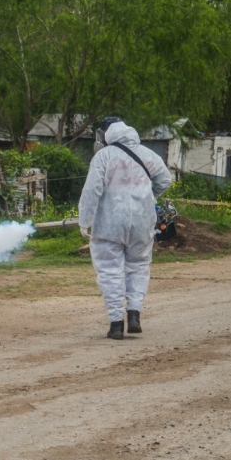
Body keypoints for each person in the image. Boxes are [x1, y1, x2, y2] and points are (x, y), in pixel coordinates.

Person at [79, 117, 173, 340]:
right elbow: (165, 180)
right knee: (138, 266)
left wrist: (85, 220)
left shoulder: (103, 156)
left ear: (105, 134)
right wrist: (148, 198)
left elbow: (92, 190)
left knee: (110, 270)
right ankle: (134, 315)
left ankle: (116, 324)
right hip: (143, 221)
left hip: (108, 223)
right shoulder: (148, 154)